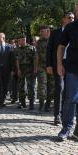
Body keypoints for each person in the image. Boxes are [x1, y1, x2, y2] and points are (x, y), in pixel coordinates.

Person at [46, 11, 75, 125]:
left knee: (69, 90)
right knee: (59, 88)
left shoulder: (74, 31)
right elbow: (49, 49)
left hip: (71, 64)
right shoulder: (55, 33)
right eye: (69, 17)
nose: (71, 19)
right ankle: (57, 115)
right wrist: (49, 64)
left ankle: (65, 114)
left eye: (73, 18)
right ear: (63, 19)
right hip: (58, 63)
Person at [57, 4, 78, 141]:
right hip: (72, 69)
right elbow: (61, 47)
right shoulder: (71, 27)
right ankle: (66, 128)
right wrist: (59, 64)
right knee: (70, 99)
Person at [15, 34, 36, 110]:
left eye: (19, 40)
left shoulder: (31, 48)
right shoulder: (17, 49)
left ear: (24, 40)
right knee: (21, 85)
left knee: (30, 86)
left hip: (30, 68)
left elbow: (35, 59)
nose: (18, 42)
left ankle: (31, 103)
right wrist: (18, 69)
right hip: (21, 68)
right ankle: (22, 102)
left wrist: (35, 69)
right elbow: (17, 60)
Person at [34, 25, 51, 111]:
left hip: (51, 66)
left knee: (51, 85)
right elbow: (37, 55)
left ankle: (48, 103)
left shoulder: (53, 40)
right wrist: (36, 67)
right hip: (42, 66)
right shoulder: (39, 42)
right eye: (41, 32)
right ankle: (41, 103)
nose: (41, 33)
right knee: (42, 84)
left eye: (43, 32)